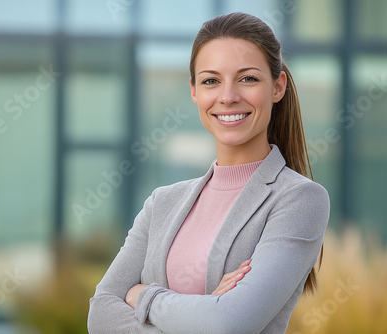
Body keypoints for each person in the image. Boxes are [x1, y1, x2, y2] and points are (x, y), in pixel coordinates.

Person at [88, 12, 330, 334]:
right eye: (211, 81)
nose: (227, 96)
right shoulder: (162, 203)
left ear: (277, 86)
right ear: (194, 91)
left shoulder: (300, 200)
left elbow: (227, 324)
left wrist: (144, 295)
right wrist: (203, 310)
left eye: (248, 78)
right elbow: (100, 315)